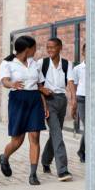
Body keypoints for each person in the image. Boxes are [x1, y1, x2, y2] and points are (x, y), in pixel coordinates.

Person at [0, 35, 48, 185]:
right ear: (27, 49)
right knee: (17, 140)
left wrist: (44, 105)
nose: (36, 49)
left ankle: (33, 174)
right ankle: (4, 157)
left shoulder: (35, 63)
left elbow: (39, 86)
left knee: (34, 137)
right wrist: (12, 84)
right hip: (18, 101)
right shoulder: (7, 63)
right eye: (34, 47)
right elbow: (4, 81)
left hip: (34, 101)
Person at [38, 38, 73, 182]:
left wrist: (74, 100)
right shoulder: (42, 63)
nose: (50, 50)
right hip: (48, 101)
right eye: (48, 47)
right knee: (57, 134)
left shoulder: (66, 64)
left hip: (61, 101)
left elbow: (70, 82)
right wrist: (42, 90)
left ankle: (45, 161)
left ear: (60, 47)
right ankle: (63, 171)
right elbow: (36, 83)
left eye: (53, 47)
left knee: (55, 134)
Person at [69, 44, 86, 163]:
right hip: (82, 99)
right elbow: (73, 85)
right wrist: (74, 101)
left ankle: (82, 150)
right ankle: (83, 151)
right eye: (87, 51)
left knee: (94, 127)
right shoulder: (78, 69)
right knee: (89, 127)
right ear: (83, 53)